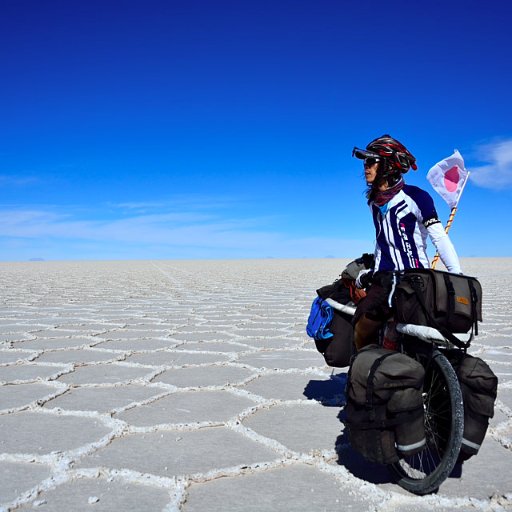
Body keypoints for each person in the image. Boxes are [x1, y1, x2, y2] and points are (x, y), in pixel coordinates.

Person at [351, 134, 461, 351]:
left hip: (414, 280)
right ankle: (365, 368)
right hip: (383, 279)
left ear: (389, 165)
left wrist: (456, 276)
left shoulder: (416, 197)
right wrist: (371, 271)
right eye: (365, 162)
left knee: (365, 326)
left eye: (372, 161)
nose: (366, 167)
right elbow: (383, 241)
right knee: (363, 326)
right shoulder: (374, 202)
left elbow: (439, 237)